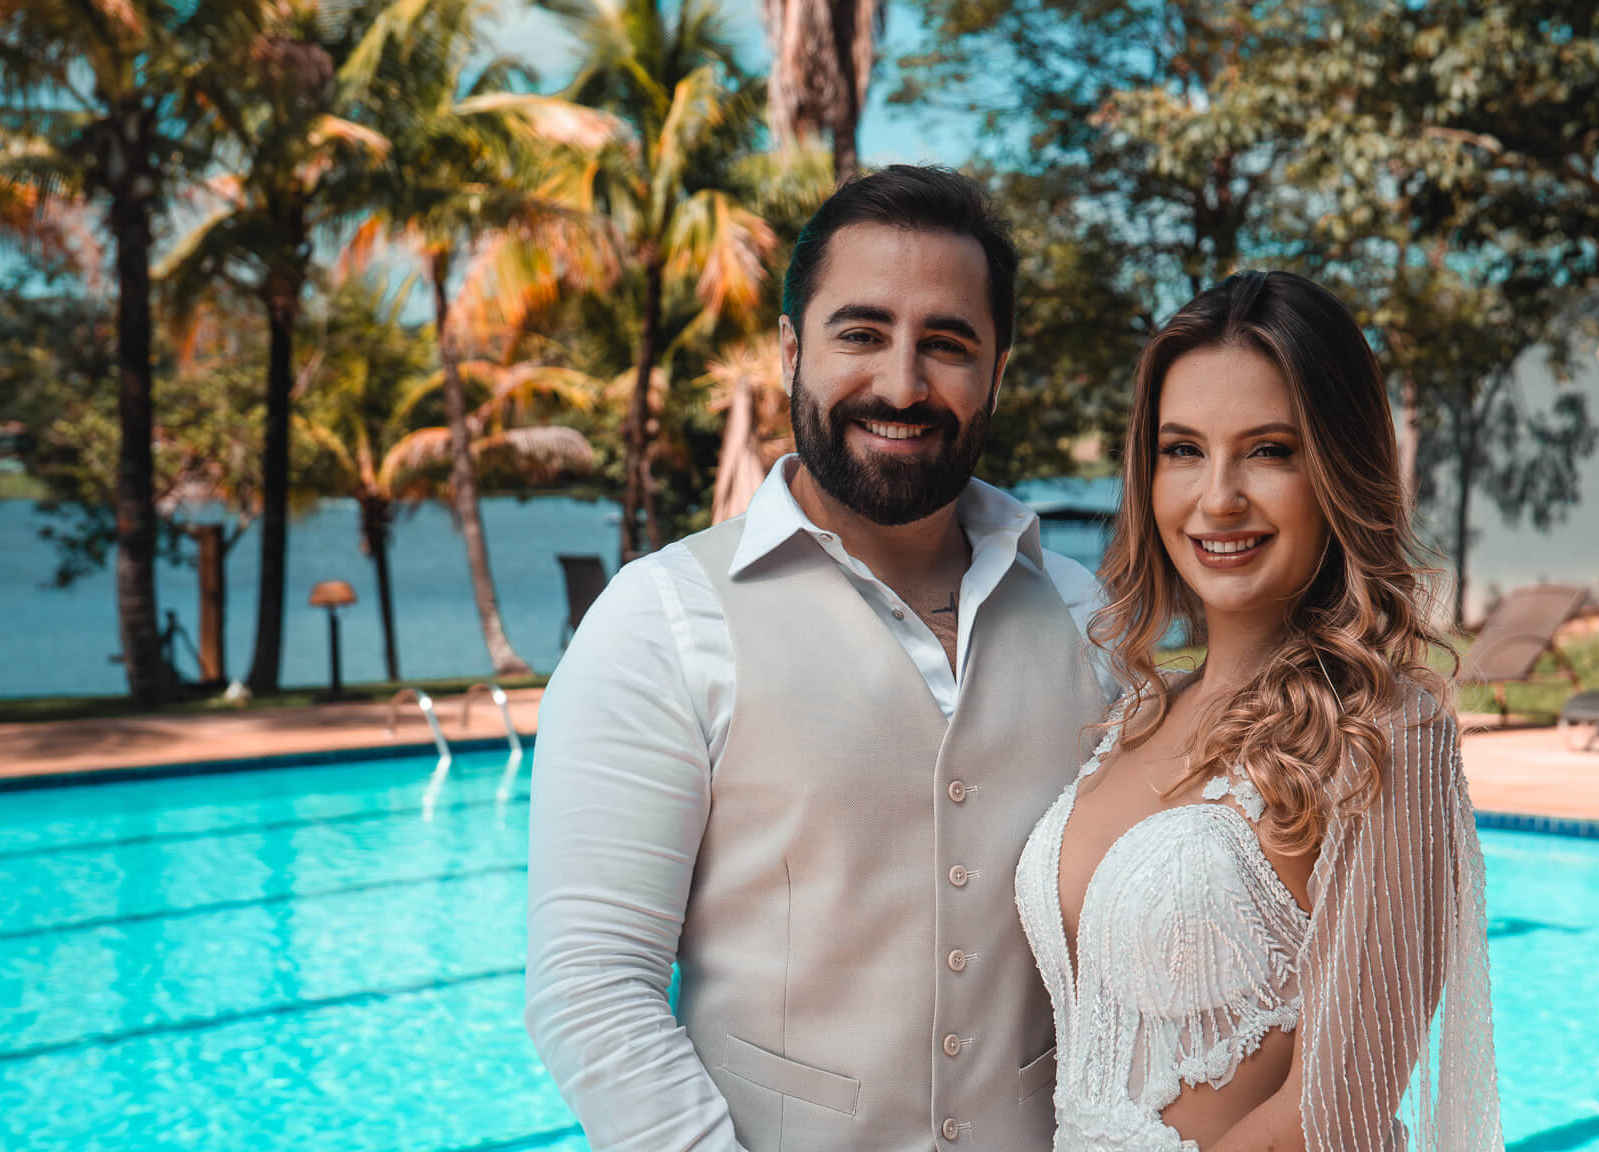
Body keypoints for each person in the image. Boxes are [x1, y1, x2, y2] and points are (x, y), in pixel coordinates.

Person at [524, 165, 1114, 1152]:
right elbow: (592, 988)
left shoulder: (1085, 615)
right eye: (861, 333)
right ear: (793, 350)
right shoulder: (661, 620)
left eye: (947, 344)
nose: (902, 384)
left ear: (997, 372)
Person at [1013, 271, 1502, 1151]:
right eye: (1183, 450)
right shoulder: (1134, 713)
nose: (1218, 497)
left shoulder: (1387, 736)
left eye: (1270, 450)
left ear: (1339, 470)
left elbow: (1334, 1111)